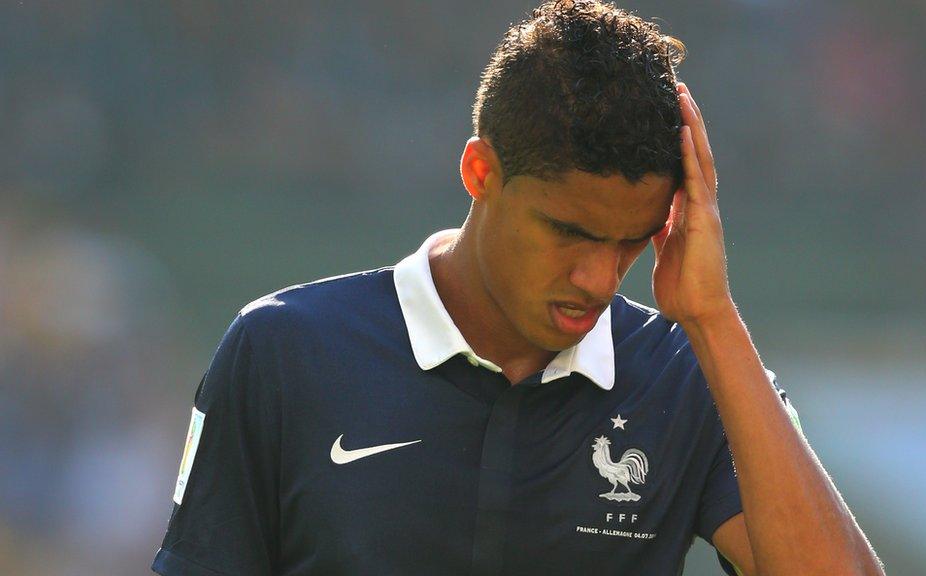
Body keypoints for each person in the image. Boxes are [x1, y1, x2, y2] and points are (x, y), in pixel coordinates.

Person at [152, 1, 884, 574]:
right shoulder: (283, 351)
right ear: (480, 173)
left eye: (629, 241)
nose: (598, 279)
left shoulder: (685, 375)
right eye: (569, 232)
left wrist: (714, 318)